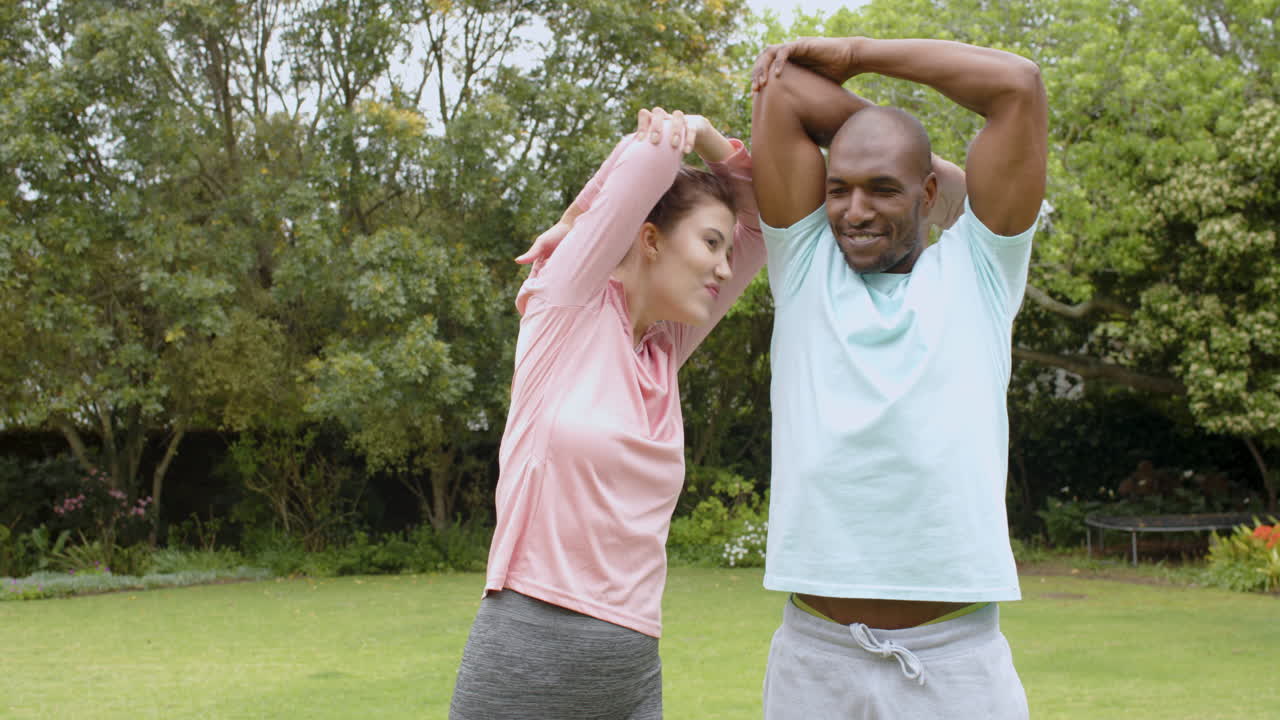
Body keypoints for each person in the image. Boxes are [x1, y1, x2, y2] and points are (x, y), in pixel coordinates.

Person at [749, 35, 1048, 718]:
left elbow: (1018, 86)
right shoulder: (802, 265)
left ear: (932, 191)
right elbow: (783, 86)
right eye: (840, 188)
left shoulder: (982, 269)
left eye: (884, 188)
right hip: (815, 663)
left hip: (956, 664)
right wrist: (884, 142)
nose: (855, 212)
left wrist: (858, 53)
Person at [448, 108, 764, 720]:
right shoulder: (565, 305)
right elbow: (650, 157)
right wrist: (578, 216)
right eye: (710, 243)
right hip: (527, 653)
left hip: (631, 670)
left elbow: (763, 225)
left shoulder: (662, 352)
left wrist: (704, 135)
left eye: (725, 249)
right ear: (648, 239)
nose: (726, 268)